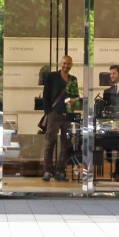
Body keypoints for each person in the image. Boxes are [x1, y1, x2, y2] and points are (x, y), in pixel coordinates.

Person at [41, 54, 77, 182]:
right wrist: (49, 112)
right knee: (50, 142)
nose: (66, 66)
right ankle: (47, 171)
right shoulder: (52, 76)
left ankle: (60, 171)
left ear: (71, 65)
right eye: (64, 63)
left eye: (68, 64)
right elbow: (46, 95)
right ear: (60, 63)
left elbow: (76, 97)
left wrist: (74, 101)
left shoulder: (73, 79)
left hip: (67, 115)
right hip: (54, 114)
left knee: (65, 144)